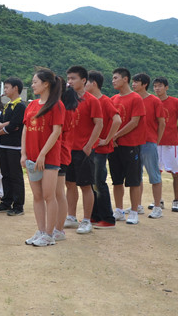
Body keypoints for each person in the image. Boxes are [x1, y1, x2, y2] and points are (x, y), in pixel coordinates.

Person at [22, 70, 64, 247]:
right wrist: (23, 154)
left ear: (46, 84)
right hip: (32, 157)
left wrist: (42, 154)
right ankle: (40, 231)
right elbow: (25, 129)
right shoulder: (31, 105)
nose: (32, 85)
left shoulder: (57, 105)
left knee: (48, 196)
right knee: (37, 196)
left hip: (49, 158)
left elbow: (56, 132)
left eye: (35, 82)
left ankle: (49, 234)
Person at [64, 66, 103, 235]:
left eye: (73, 78)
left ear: (84, 80)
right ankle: (71, 217)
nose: (70, 81)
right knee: (69, 184)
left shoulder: (92, 100)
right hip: (68, 149)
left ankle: (87, 220)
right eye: (68, 78)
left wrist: (88, 145)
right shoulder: (66, 100)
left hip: (84, 150)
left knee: (86, 185)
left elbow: (99, 124)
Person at [85, 71, 121, 229]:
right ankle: (95, 216)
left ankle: (108, 218)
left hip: (100, 149)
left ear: (93, 84)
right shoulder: (88, 100)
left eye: (86, 82)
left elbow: (117, 120)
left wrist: (107, 139)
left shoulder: (105, 101)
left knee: (99, 182)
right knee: (91, 182)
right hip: (91, 148)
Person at [110, 68, 146, 225]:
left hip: (131, 145)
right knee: (116, 180)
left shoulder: (136, 98)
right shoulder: (113, 99)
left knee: (133, 180)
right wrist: (111, 138)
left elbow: (134, 122)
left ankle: (133, 211)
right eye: (112, 78)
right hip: (115, 146)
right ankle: (118, 210)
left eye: (116, 78)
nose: (113, 81)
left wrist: (115, 135)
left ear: (125, 79)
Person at [0, 77, 26, 216]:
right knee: (5, 175)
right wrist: (3, 127)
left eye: (7, 87)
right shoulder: (7, 105)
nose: (4, 90)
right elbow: (0, 123)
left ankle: (18, 205)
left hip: (15, 146)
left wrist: (2, 129)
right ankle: (6, 202)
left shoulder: (20, 106)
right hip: (3, 145)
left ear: (15, 88)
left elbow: (16, 124)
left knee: (15, 176)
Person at [132, 73, 166, 218]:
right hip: (134, 142)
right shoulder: (133, 99)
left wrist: (156, 141)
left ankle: (157, 207)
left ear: (144, 84)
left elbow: (162, 123)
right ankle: (137, 206)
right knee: (136, 176)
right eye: (133, 82)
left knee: (154, 175)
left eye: (136, 82)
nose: (133, 84)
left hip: (148, 142)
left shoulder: (154, 101)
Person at [153, 77, 178, 213]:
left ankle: (176, 201)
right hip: (155, 143)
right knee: (156, 172)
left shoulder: (175, 102)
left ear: (166, 87)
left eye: (160, 86)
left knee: (175, 172)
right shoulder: (152, 101)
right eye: (155, 86)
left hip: (171, 144)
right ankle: (158, 201)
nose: (157, 88)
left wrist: (174, 135)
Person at [55, 85, 80, 241]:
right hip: (64, 152)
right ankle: (57, 225)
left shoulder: (64, 111)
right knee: (59, 191)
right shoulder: (70, 109)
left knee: (58, 192)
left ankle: (59, 227)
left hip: (60, 153)